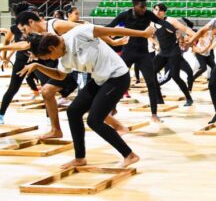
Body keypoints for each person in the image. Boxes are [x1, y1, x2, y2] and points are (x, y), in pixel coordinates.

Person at [22, 23, 156, 169]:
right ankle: (80, 158)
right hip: (100, 79)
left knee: (94, 120)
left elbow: (113, 30)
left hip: (117, 77)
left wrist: (143, 33)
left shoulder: (78, 34)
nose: (51, 59)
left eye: (48, 57)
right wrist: (37, 66)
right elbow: (60, 75)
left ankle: (129, 155)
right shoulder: (63, 58)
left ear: (52, 48)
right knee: (73, 112)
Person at [11, 10, 128, 139]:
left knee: (88, 103)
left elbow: (88, 28)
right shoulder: (37, 36)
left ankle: (117, 125)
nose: (24, 33)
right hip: (66, 66)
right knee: (47, 91)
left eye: (24, 29)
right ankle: (56, 130)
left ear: (31, 22)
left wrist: (112, 42)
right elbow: (23, 45)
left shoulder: (56, 25)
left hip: (82, 63)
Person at [106, 0, 176, 123]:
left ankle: (154, 114)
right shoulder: (124, 15)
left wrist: (175, 30)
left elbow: (161, 22)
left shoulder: (148, 14)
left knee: (151, 83)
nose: (144, 9)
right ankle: (112, 108)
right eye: (141, 7)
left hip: (143, 54)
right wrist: (106, 38)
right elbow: (109, 26)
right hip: (128, 51)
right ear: (134, 5)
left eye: (145, 6)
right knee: (116, 80)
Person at [0, 2, 42, 124]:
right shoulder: (14, 28)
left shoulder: (35, 27)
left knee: (47, 88)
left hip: (39, 60)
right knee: (13, 88)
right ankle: (1, 114)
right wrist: (5, 57)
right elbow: (8, 41)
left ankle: (50, 119)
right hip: (21, 61)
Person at [150, 3, 195, 107]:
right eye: (156, 9)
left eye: (160, 10)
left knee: (175, 76)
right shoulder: (152, 23)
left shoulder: (170, 20)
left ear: (164, 12)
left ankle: (189, 98)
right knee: (151, 73)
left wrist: (197, 36)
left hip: (174, 52)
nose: (157, 12)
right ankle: (159, 100)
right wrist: (157, 44)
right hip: (163, 53)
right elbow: (148, 35)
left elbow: (185, 29)